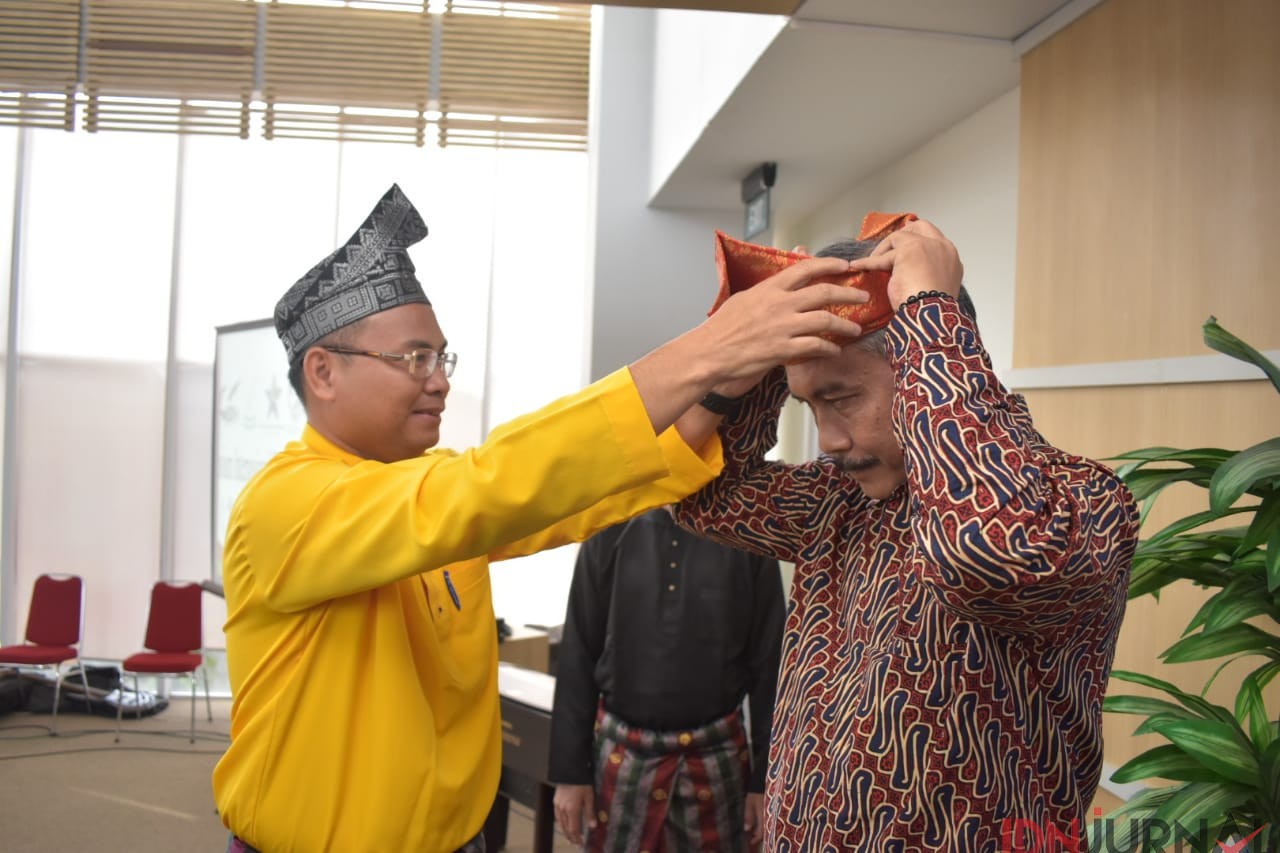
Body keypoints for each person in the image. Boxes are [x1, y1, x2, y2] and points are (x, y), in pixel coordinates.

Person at [209, 184, 870, 853]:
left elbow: (585, 495)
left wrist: (723, 386)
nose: (439, 380)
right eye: (414, 358)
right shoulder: (287, 505)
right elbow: (493, 483)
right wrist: (712, 349)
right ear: (323, 372)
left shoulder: (422, 496)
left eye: (441, 357)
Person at [674, 218, 1141, 850]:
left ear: (927, 365)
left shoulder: (1082, 500)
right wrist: (745, 361)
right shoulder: (839, 500)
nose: (828, 440)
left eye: (842, 397)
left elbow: (986, 552)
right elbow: (701, 496)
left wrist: (930, 311)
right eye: (808, 406)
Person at [549, 508, 784, 852]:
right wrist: (571, 775)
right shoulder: (609, 522)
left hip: (716, 760)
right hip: (623, 758)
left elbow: (770, 666)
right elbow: (578, 653)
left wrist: (766, 781)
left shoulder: (747, 528)